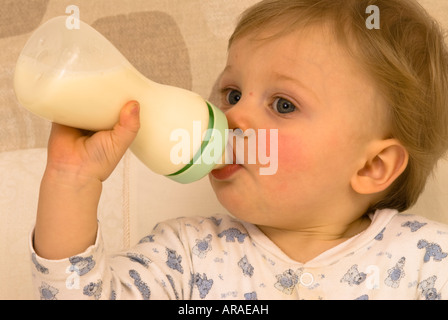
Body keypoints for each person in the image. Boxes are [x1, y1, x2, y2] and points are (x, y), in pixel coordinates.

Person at [31, 0, 448, 300]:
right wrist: (71, 182)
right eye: (232, 93)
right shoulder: (188, 254)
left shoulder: (427, 259)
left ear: (373, 165)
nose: (232, 115)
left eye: (283, 104)